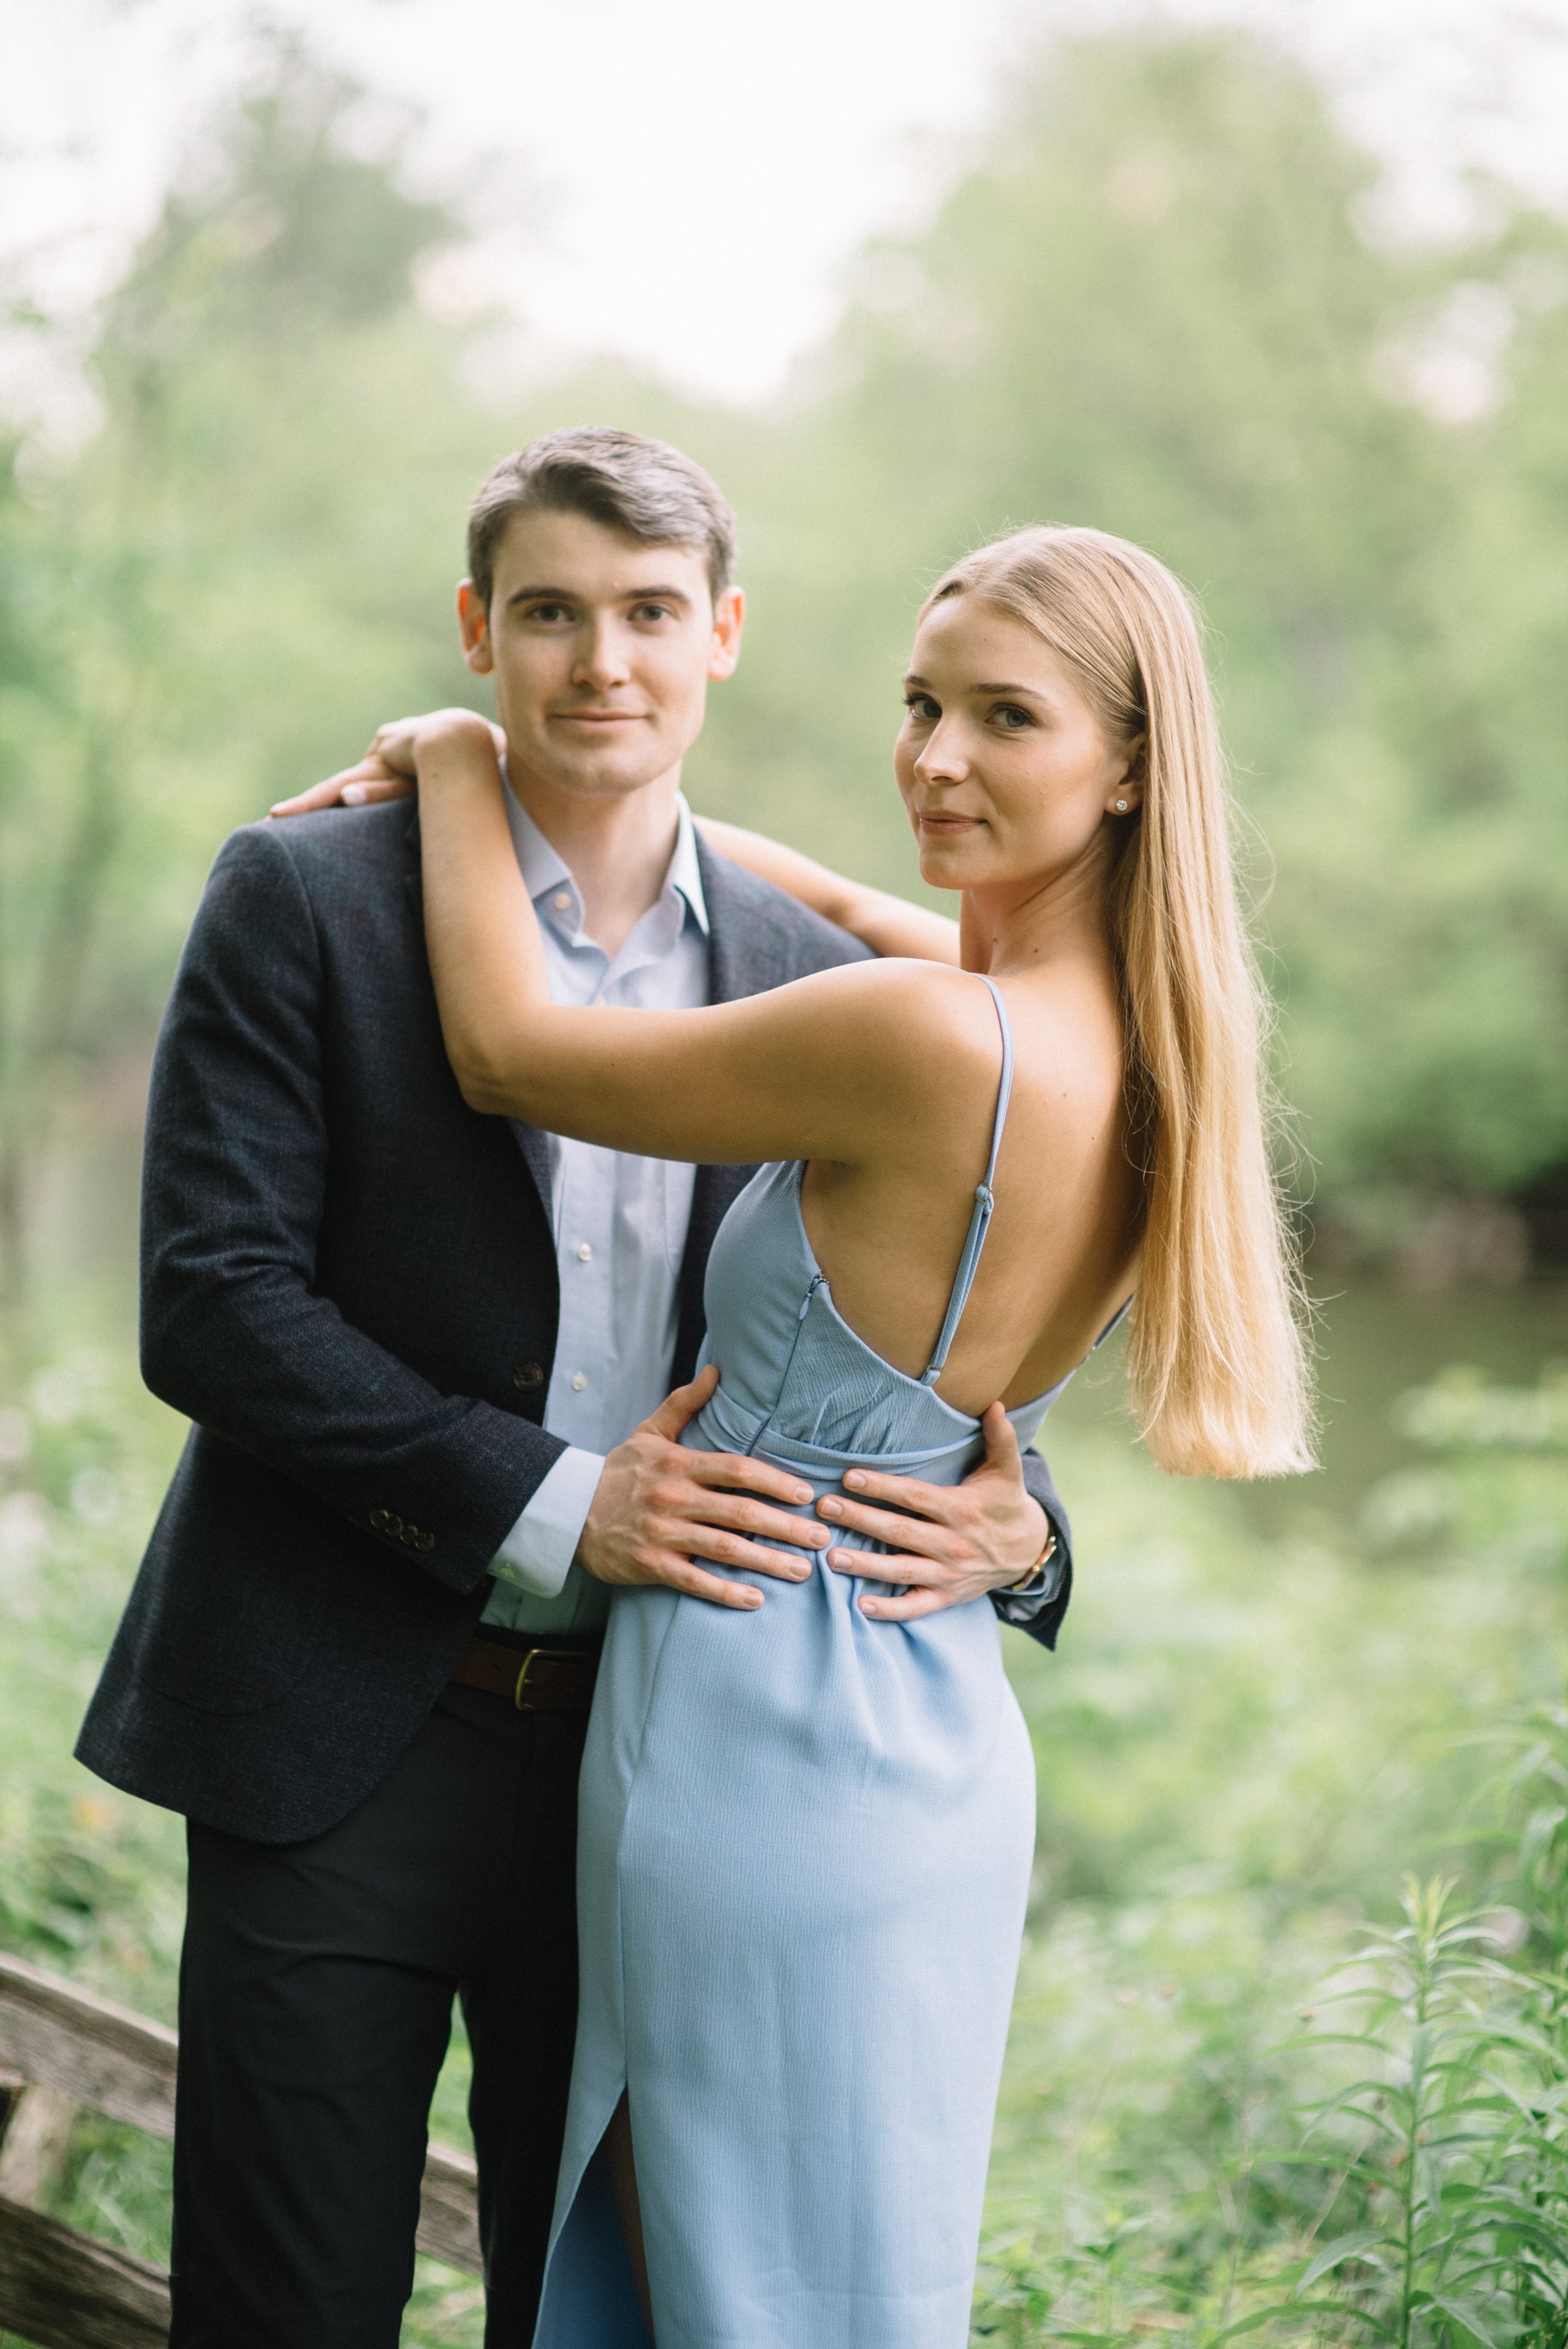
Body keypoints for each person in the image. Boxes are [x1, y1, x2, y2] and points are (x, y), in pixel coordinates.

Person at [73, 428, 1076, 2349]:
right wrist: (562, 1499)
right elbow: (212, 1306)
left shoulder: (818, 976)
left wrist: (1024, 1535)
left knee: (601, 2310)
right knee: (282, 2317)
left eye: (645, 612)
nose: (599, 659)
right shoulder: (305, 893)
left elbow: (922, 1354)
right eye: (550, 610)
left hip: (673, 1767)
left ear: (725, 638)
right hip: (328, 1735)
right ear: (478, 629)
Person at [352, 519, 1314, 2347]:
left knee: (703, 2284)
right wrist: (662, 826)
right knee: (834, 2292)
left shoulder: (926, 1043)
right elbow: (870, 916)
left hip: (754, 1715)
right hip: (930, 1717)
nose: (937, 760)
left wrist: (465, 753)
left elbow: (504, 1043)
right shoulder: (1149, 1052)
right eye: (920, 703)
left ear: (1124, 767)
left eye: (1005, 720)